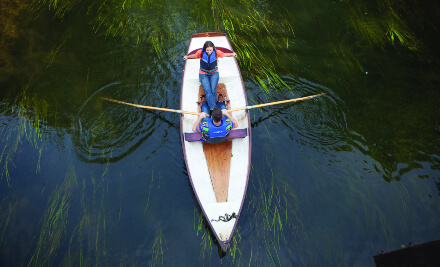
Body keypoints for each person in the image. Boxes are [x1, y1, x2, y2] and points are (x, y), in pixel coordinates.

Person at [183, 41, 237, 111]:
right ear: (204, 49)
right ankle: (213, 109)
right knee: (208, 91)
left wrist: (232, 54)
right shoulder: (200, 52)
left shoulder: (217, 52)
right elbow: (195, 56)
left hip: (214, 73)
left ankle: (212, 109)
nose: (209, 52)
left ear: (213, 49)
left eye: (210, 50)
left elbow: (224, 54)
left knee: (213, 91)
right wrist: (187, 56)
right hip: (203, 74)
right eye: (207, 50)